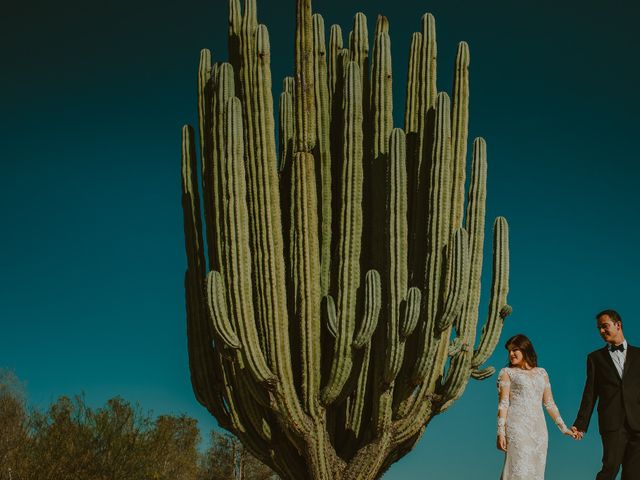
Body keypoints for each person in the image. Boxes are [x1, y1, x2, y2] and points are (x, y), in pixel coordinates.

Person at [571, 309, 640, 479]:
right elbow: (590, 393)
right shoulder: (595, 358)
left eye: (605, 326)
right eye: (599, 328)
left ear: (618, 325)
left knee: (634, 474)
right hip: (612, 422)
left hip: (638, 423)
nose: (601, 331)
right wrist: (581, 424)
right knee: (610, 469)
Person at [496, 334, 576, 479]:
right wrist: (500, 432)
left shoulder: (542, 373)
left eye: (515, 350)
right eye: (509, 351)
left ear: (525, 349)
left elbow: (549, 403)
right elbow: (503, 403)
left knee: (536, 473)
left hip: (539, 430)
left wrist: (564, 428)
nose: (511, 354)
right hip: (517, 427)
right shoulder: (507, 373)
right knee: (518, 471)